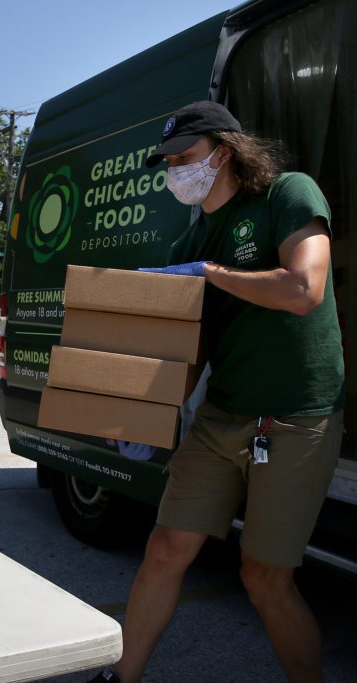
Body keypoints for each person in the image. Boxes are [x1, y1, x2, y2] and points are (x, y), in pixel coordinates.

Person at [90, 101, 344, 683]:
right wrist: (141, 413)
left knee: (263, 578)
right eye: (169, 163)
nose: (175, 170)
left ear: (224, 152)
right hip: (223, 414)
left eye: (186, 157)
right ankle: (119, 678)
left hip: (297, 418)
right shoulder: (190, 241)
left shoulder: (287, 195)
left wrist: (212, 274)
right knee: (164, 548)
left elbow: (305, 287)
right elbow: (189, 348)